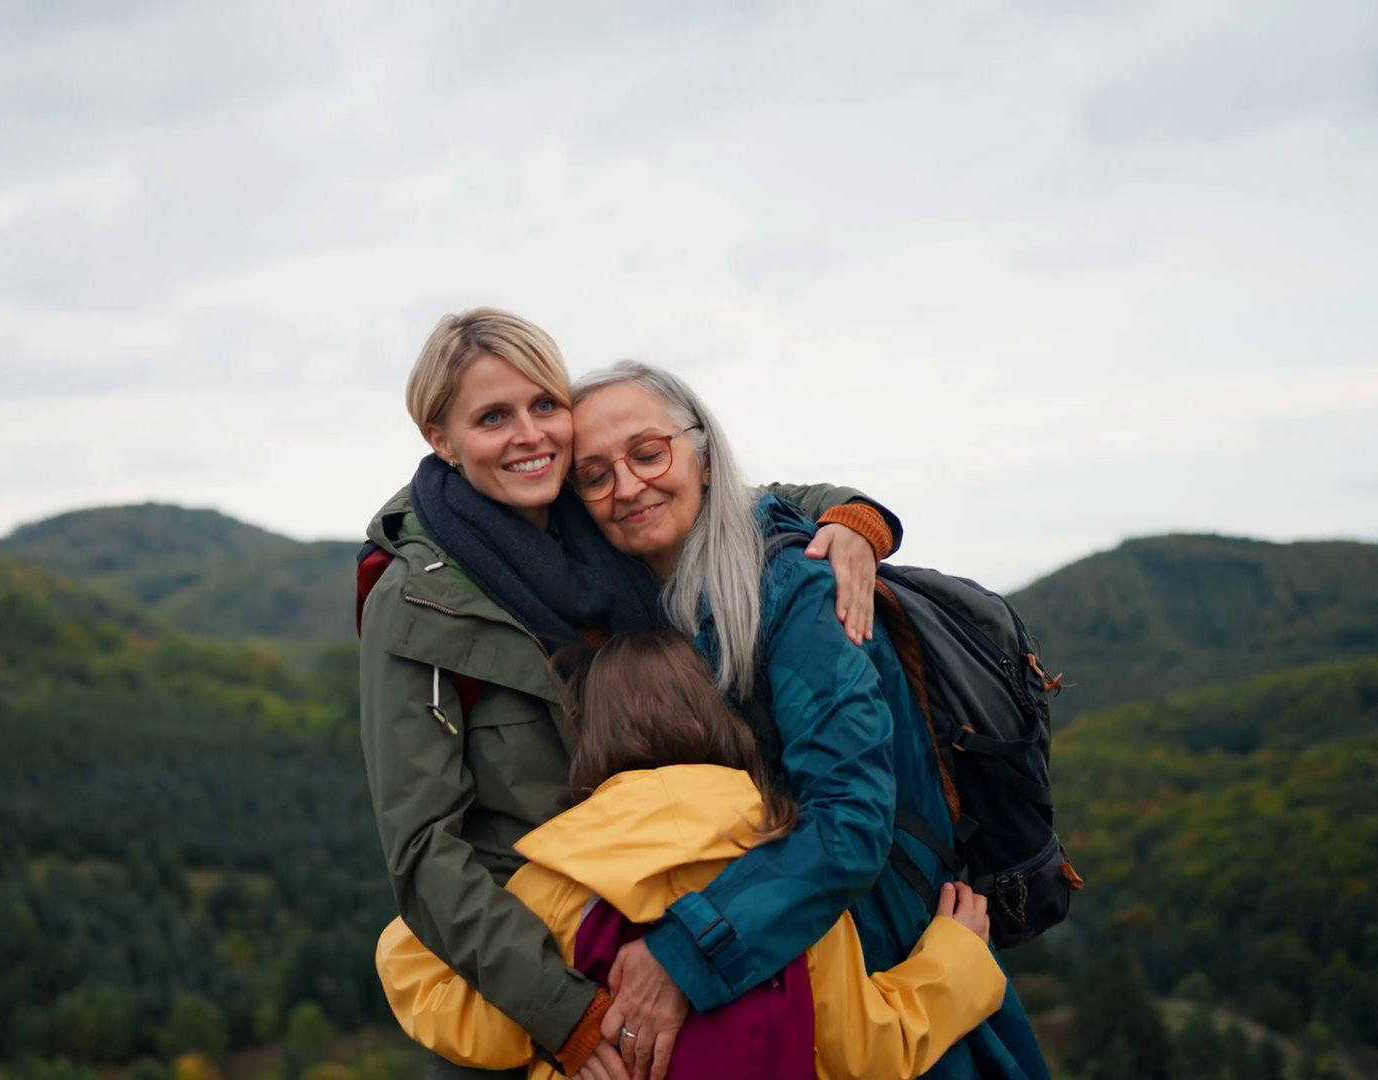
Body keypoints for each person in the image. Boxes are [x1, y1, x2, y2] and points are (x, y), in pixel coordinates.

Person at [359, 309, 904, 1080]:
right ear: (441, 439)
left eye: (544, 405)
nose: (528, 435)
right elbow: (423, 852)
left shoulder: (589, 515)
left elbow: (725, 490)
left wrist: (851, 515)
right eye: (492, 417)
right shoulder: (420, 601)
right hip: (536, 984)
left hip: (686, 932)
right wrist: (565, 1014)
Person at [567, 361, 1050, 1080]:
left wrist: (683, 955)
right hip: (779, 977)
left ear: (702, 455)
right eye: (595, 474)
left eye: (647, 453)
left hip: (889, 975)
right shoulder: (639, 610)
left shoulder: (794, 589)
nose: (628, 486)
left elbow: (852, 820)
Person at [376, 628, 1009, 1080]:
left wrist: (420, 924)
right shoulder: (786, 876)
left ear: (586, 739)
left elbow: (476, 1025)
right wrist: (956, 955)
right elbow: (867, 1051)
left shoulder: (552, 883)